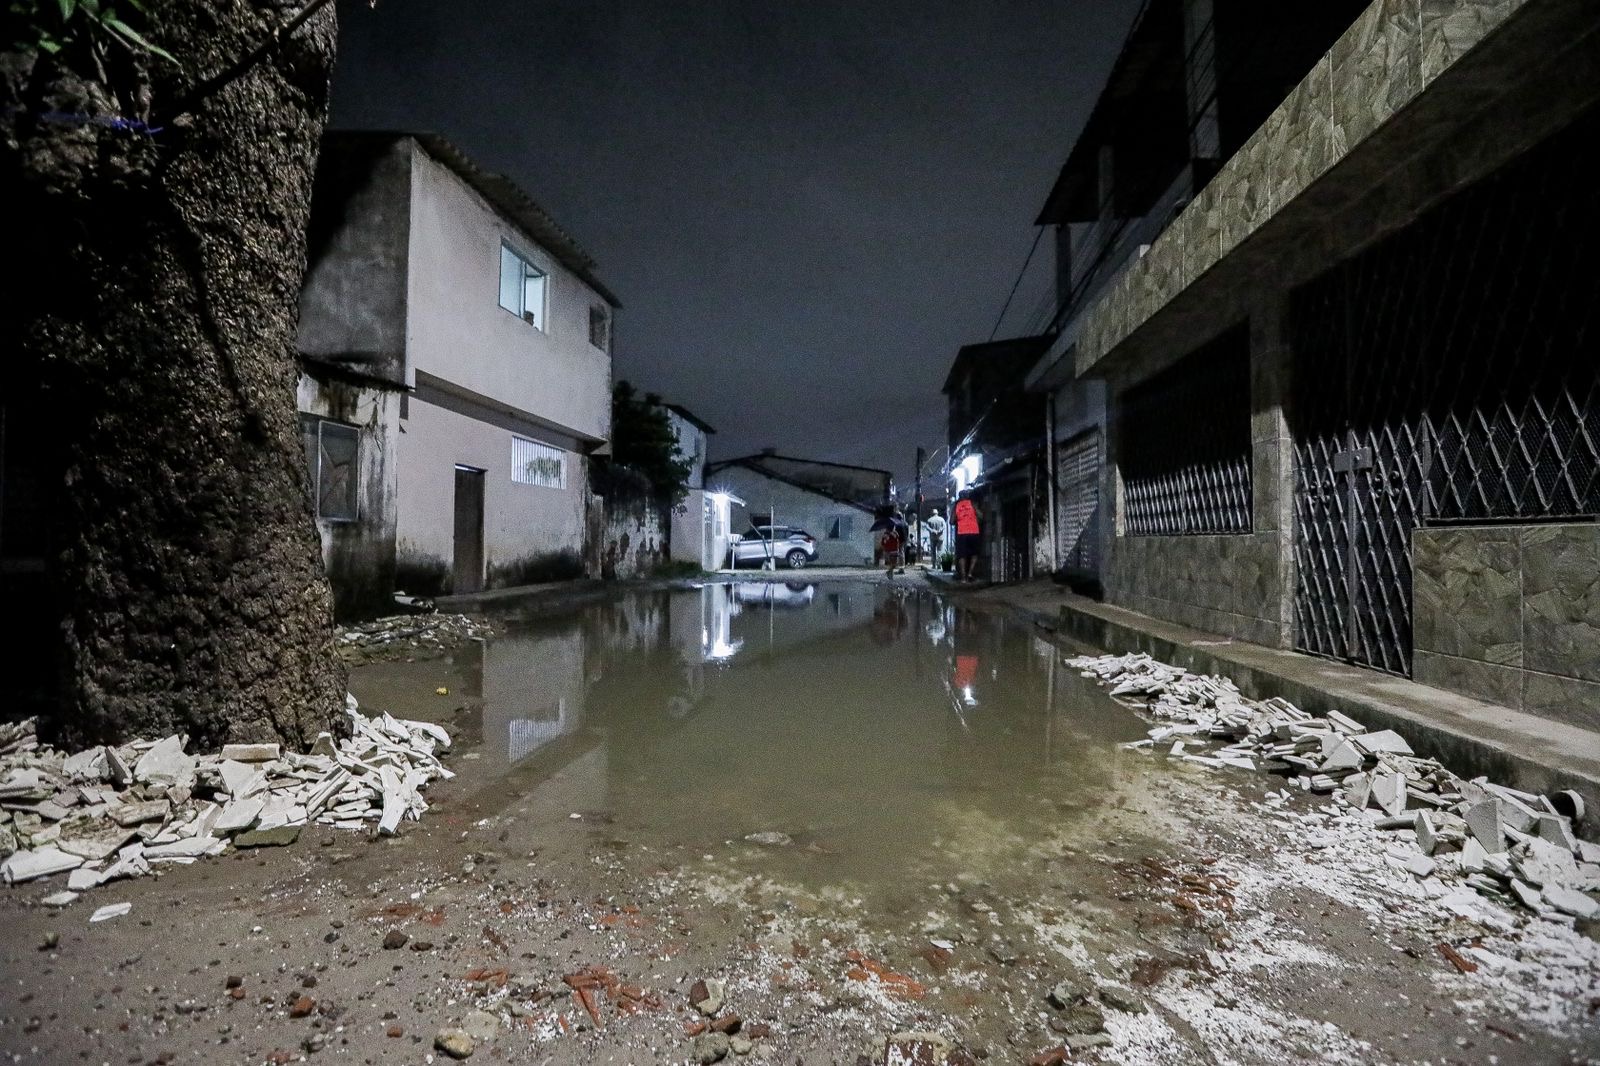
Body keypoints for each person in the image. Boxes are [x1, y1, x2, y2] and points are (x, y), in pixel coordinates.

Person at [953, 490, 981, 582]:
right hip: (974, 531)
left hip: (962, 532)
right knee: (974, 553)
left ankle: (963, 577)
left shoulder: (956, 506)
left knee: (962, 555)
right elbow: (981, 516)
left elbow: (951, 521)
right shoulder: (973, 504)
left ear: (960, 497)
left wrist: (959, 518)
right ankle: (970, 573)